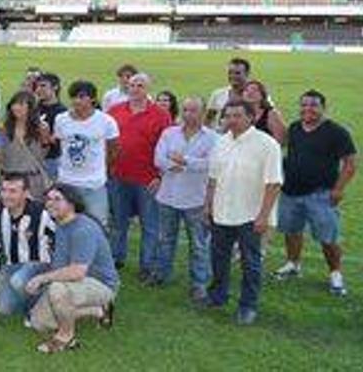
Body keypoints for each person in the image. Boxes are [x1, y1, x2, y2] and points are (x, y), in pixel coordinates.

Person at [204, 100, 282, 325]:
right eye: (228, 116)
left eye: (237, 116)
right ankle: (217, 295)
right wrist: (208, 205)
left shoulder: (267, 144)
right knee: (218, 257)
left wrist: (263, 216)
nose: (232, 120)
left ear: (252, 117)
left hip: (251, 215)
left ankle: (248, 306)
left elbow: (274, 184)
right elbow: (213, 178)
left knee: (250, 263)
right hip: (222, 211)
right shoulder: (221, 142)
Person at [273, 90, 357, 296]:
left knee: (327, 237)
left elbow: (350, 163)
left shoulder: (336, 132)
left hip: (320, 194)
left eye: (313, 105)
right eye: (304, 105)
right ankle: (293, 264)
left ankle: (335, 274)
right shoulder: (294, 128)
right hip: (290, 192)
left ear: (323, 108)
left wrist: (338, 189)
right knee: (292, 231)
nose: (307, 109)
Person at [26, 184, 119, 354]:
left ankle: (66, 337)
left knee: (57, 289)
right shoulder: (61, 223)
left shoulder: (83, 229)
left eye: (57, 199)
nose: (50, 203)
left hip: (101, 284)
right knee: (39, 322)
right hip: (76, 283)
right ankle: (100, 310)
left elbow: (77, 272)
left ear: (72, 203)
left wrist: (41, 279)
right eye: (48, 199)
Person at [152, 97, 218, 300]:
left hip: (196, 200)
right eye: (186, 110)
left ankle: (199, 283)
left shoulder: (214, 138)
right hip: (168, 196)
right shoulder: (169, 133)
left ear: (204, 112)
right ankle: (161, 274)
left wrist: (185, 160)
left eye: (194, 110)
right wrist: (176, 165)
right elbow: (158, 159)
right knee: (165, 240)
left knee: (198, 245)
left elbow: (212, 164)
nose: (189, 114)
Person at [108, 73, 172, 279]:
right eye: (132, 85)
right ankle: (116, 257)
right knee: (119, 221)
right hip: (118, 175)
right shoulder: (115, 111)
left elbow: (167, 147)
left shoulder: (161, 115)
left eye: (140, 85)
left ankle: (147, 264)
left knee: (150, 224)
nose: (135, 89)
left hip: (147, 179)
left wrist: (160, 176)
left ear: (148, 89)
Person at [0, 174, 53, 317]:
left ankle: (38, 310)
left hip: (39, 264)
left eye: (13, 191)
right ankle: (38, 299)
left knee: (19, 281)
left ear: (26, 193)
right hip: (10, 265)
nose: (7, 196)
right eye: (4, 190)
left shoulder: (43, 214)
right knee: (5, 309)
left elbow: (63, 237)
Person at [51, 80, 119, 228]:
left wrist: (102, 169)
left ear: (93, 99)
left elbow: (113, 149)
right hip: (66, 182)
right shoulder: (61, 119)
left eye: (82, 97)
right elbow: (59, 144)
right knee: (63, 224)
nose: (77, 101)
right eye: (74, 97)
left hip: (93, 185)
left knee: (97, 226)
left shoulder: (106, 121)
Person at [0, 91, 49, 199]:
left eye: (21, 104)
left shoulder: (41, 128)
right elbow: (0, 155)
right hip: (9, 180)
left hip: (33, 181)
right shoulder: (4, 129)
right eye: (14, 104)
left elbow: (43, 154)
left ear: (30, 108)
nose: (16, 107)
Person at [35, 73, 67, 180]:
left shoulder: (62, 113)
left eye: (43, 86)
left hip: (51, 161)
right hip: (30, 159)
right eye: (37, 86)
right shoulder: (33, 109)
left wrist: (46, 136)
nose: (39, 89)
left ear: (55, 87)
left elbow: (61, 141)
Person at [206, 57, 251, 129]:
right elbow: (207, 119)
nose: (232, 76)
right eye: (230, 72)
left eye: (237, 73)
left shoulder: (256, 96)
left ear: (247, 74)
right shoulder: (218, 94)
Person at [243, 80, 286, 145]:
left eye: (254, 90)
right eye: (246, 90)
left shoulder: (271, 114)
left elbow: (280, 140)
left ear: (262, 95)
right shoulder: (239, 114)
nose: (250, 92)